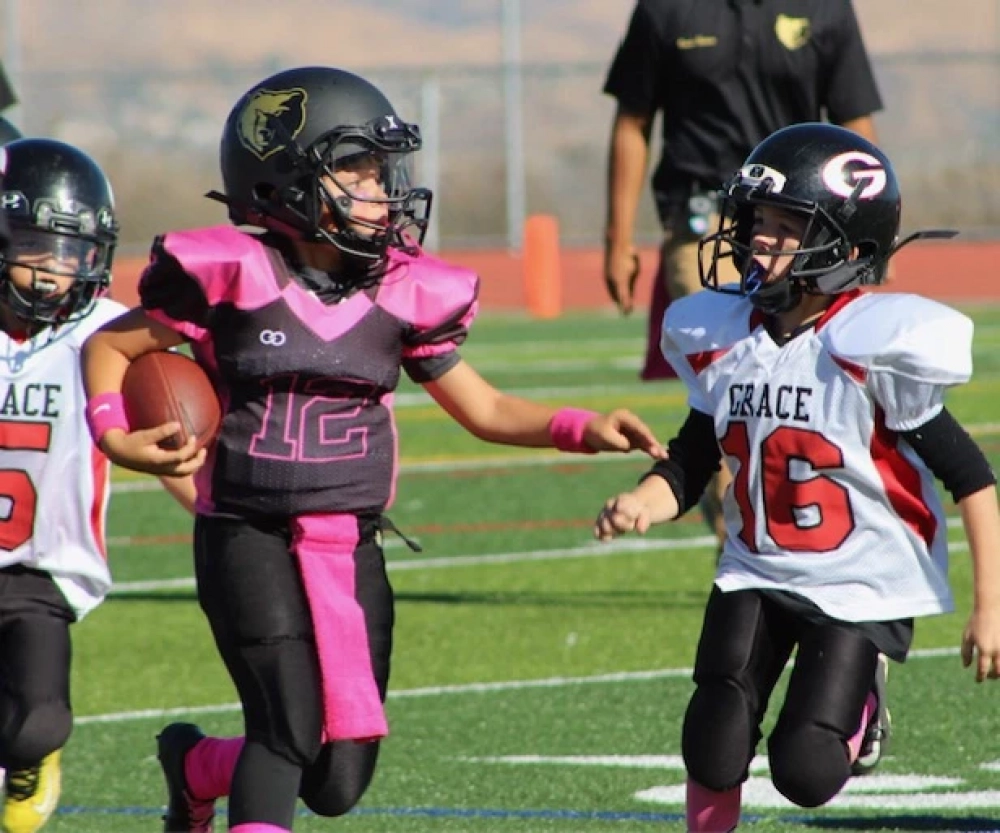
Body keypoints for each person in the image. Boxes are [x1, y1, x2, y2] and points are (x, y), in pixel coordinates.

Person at [79, 65, 667, 833]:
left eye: (382, 171)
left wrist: (577, 426)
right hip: (244, 532)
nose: (382, 190)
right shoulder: (233, 275)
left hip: (348, 542)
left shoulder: (401, 290)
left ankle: (195, 765)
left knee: (335, 779)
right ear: (286, 180)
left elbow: (484, 406)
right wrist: (112, 432)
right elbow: (111, 347)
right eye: (355, 170)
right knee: (285, 727)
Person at [593, 122, 1000, 831]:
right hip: (756, 565)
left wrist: (990, 605)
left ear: (847, 245)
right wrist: (643, 501)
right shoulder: (725, 336)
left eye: (786, 226)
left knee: (806, 770)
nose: (758, 240)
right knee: (712, 736)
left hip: (860, 581)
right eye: (757, 222)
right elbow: (694, 457)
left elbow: (971, 476)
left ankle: (862, 702)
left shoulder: (871, 344)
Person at [601, 0, 884, 558]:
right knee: (731, 368)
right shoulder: (666, 9)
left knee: (811, 374)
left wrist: (871, 230)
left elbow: (855, 122)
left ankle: (804, 522)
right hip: (708, 222)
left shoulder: (825, 9)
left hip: (808, 223)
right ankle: (742, 540)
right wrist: (618, 237)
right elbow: (632, 122)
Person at [0, 138, 197, 833]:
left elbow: (175, 440)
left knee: (35, 724)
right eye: (34, 246)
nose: (55, 270)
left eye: (73, 252)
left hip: (40, 566)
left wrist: (220, 511)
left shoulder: (109, 335)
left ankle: (27, 752)